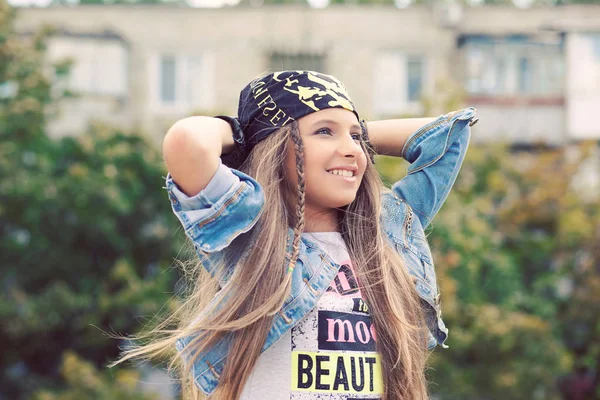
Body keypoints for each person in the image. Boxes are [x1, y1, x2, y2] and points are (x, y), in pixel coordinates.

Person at [115, 70, 478, 400]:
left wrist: (347, 132)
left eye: (356, 137)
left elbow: (448, 137)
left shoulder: (387, 234)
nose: (353, 149)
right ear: (274, 148)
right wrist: (244, 135)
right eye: (323, 132)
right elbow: (186, 143)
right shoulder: (250, 236)